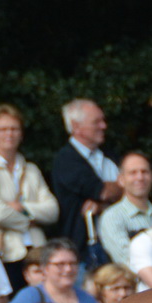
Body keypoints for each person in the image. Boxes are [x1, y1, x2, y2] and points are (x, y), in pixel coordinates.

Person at [0, 106, 59, 289]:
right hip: (4, 254)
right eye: (3, 129)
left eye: (14, 128)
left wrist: (22, 207)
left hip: (37, 252)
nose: (9, 134)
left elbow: (53, 211)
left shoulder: (31, 169)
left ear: (21, 134)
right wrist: (30, 220)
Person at [51, 99, 122, 249]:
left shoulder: (110, 155)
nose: (104, 126)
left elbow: (137, 189)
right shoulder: (66, 160)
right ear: (76, 126)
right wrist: (123, 188)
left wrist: (102, 206)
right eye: (96, 122)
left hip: (118, 243)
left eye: (103, 120)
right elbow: (104, 192)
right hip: (84, 250)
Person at [4, 238, 99, 303]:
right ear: (45, 268)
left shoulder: (88, 300)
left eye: (73, 263)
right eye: (60, 264)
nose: (68, 269)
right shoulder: (29, 296)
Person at [98, 152, 152, 268]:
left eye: (144, 172)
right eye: (133, 173)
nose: (140, 177)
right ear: (121, 180)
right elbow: (127, 261)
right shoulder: (112, 217)